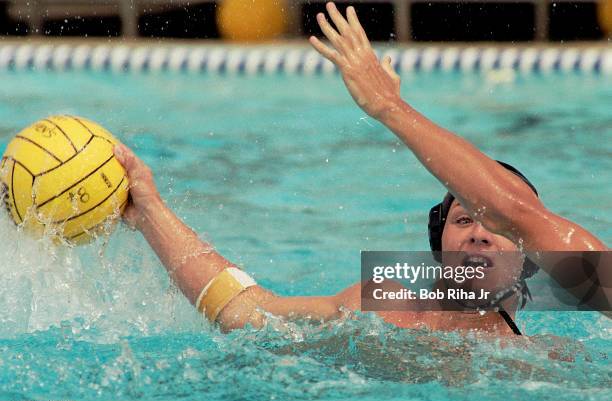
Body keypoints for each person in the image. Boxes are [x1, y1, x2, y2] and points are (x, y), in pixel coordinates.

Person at [112, 2, 609, 336]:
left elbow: (517, 213)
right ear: (437, 245)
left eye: (493, 225)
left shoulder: (547, 356)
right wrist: (149, 212)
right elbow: (241, 310)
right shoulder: (382, 312)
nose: (479, 234)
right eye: (462, 219)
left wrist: (389, 107)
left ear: (530, 259)